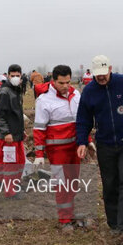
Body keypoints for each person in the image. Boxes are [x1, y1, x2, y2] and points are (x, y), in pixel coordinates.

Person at [76, 55, 123, 245]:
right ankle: (114, 222)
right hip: (105, 143)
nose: (101, 78)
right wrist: (82, 141)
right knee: (110, 183)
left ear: (110, 69)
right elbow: (83, 119)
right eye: (97, 75)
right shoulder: (89, 91)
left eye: (103, 74)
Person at [33, 65, 83, 230]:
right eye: (61, 83)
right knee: (62, 184)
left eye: (68, 82)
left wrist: (86, 140)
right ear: (53, 81)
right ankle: (64, 220)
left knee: (74, 182)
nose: (65, 86)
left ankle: (72, 213)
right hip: (57, 151)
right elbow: (39, 128)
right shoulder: (44, 100)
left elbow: (81, 120)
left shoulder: (76, 95)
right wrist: (39, 153)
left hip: (75, 148)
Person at [0, 64, 26, 199]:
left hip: (15, 133)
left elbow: (16, 114)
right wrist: (6, 132)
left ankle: (3, 182)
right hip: (9, 135)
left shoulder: (15, 90)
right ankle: (10, 191)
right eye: (12, 76)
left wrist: (21, 131)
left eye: (17, 75)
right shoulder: (5, 92)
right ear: (7, 75)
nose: (15, 78)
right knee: (11, 163)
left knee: (15, 160)